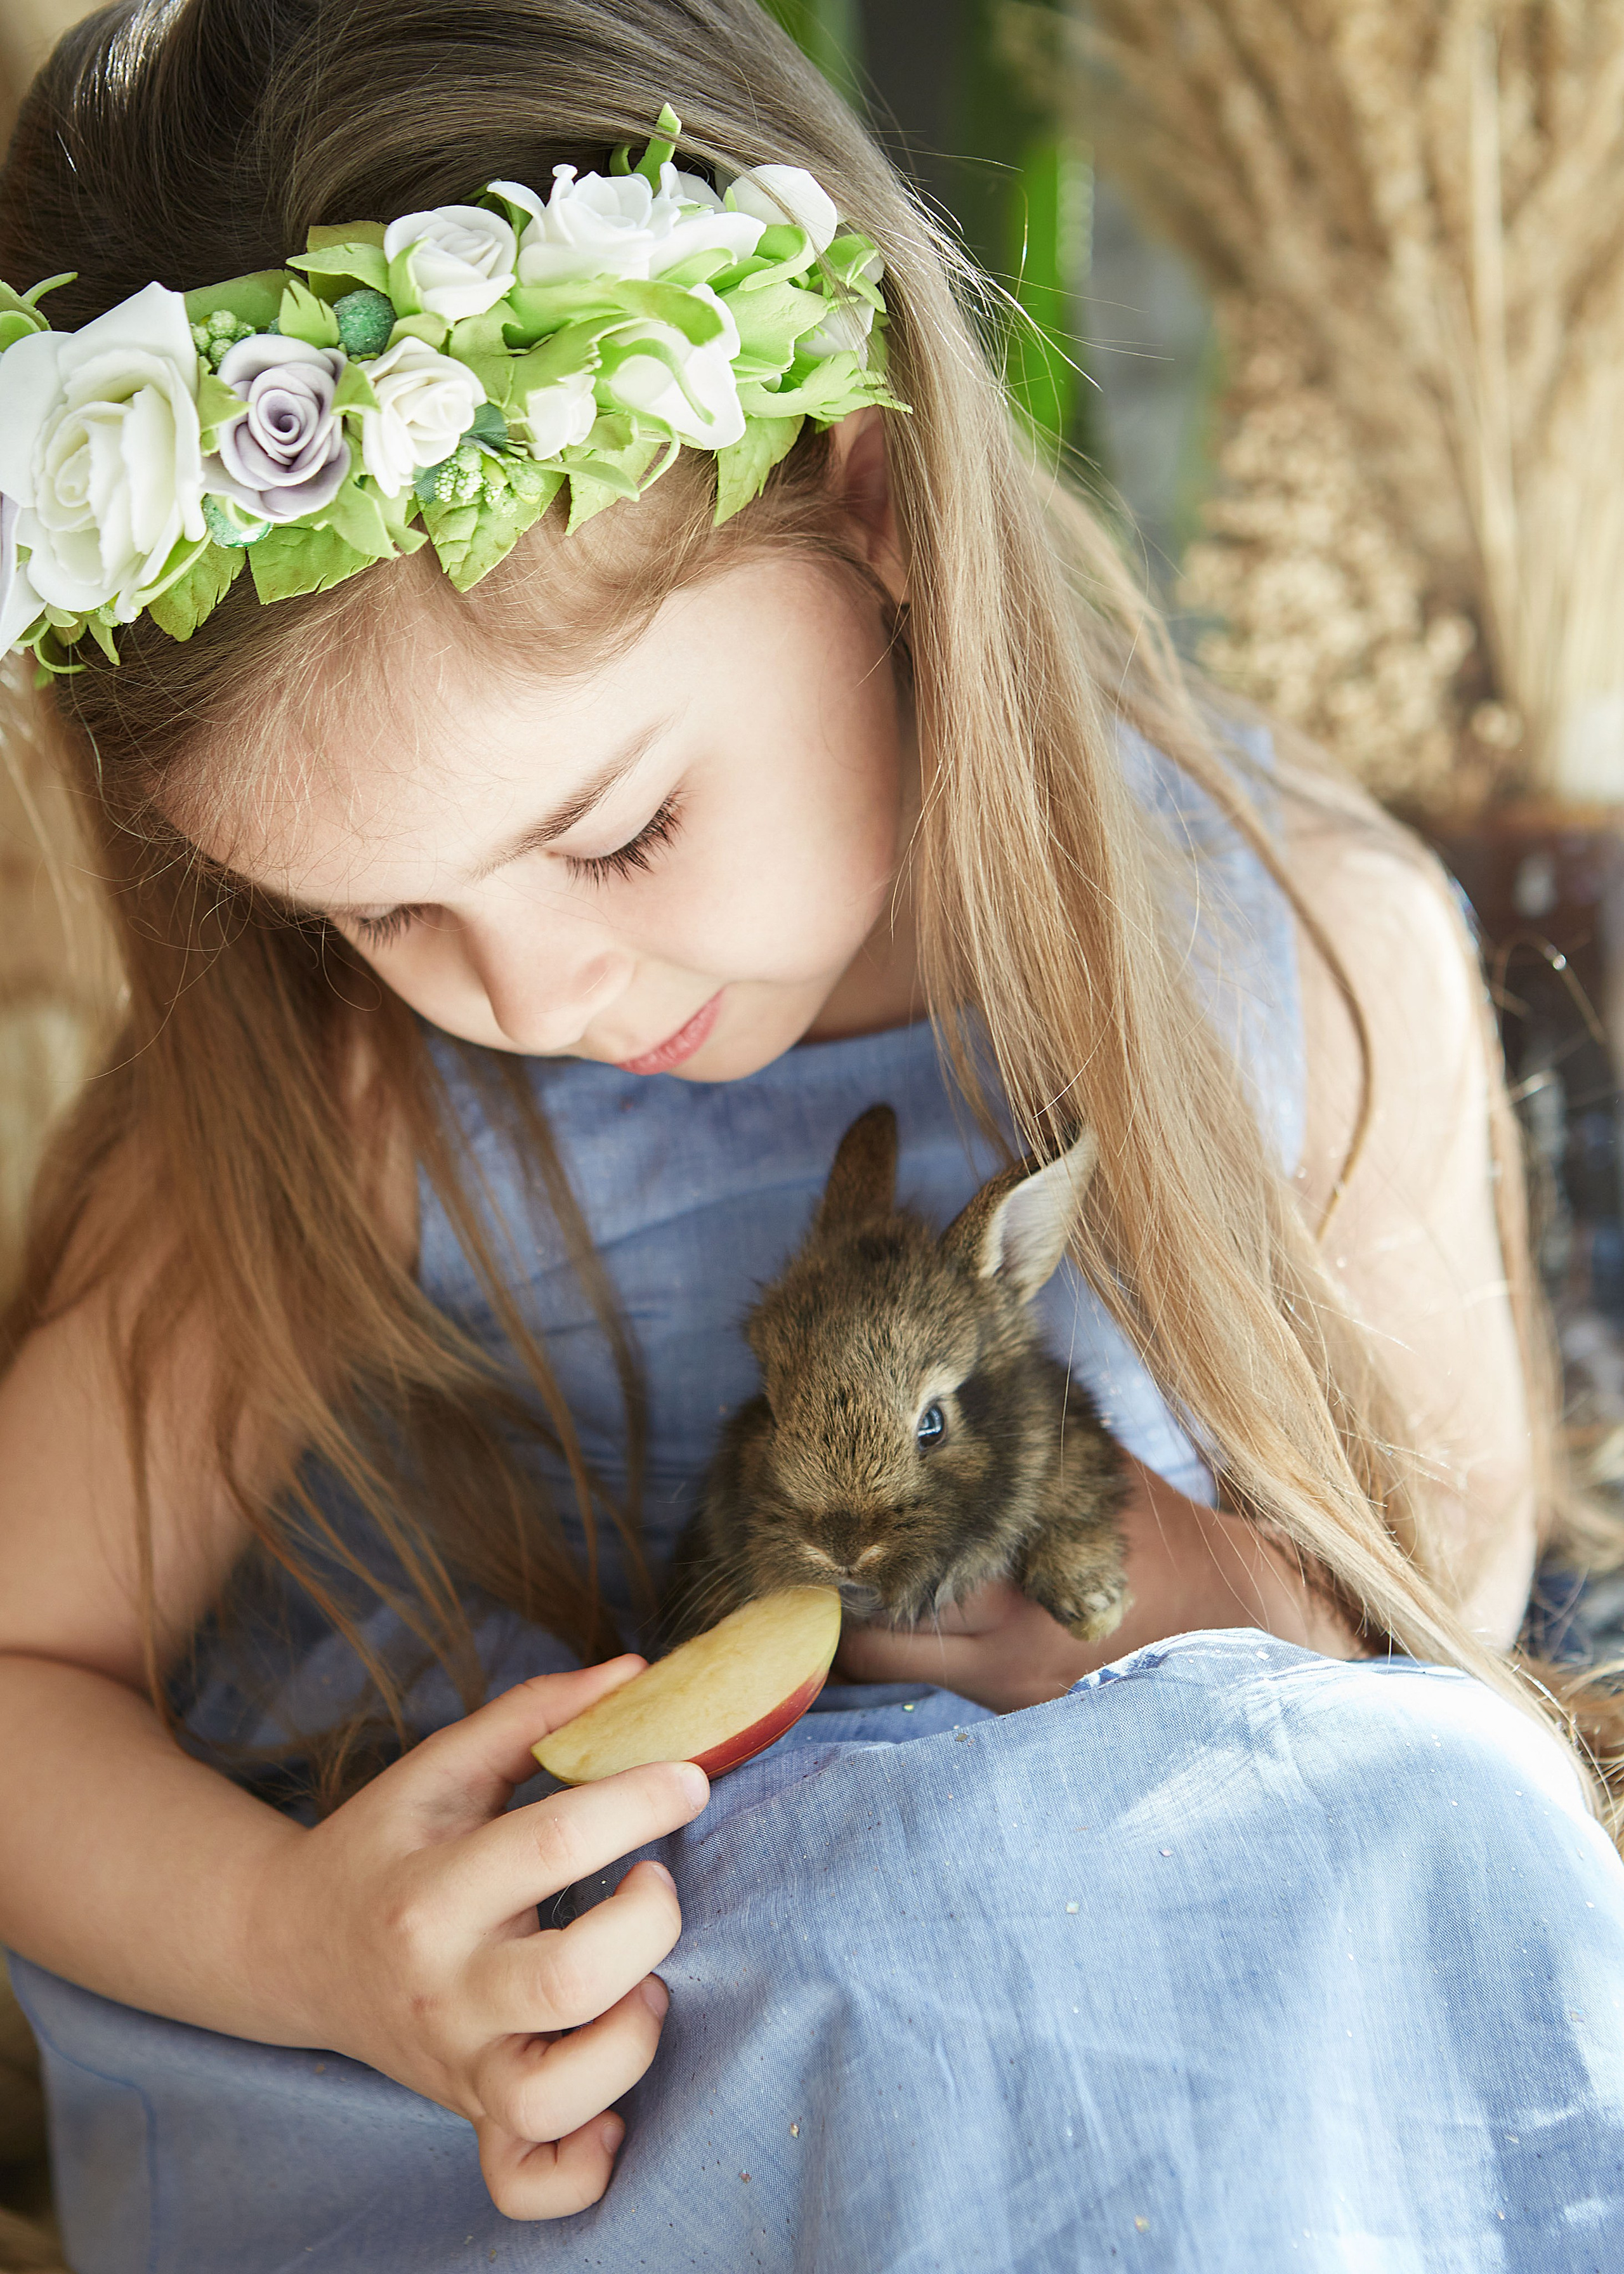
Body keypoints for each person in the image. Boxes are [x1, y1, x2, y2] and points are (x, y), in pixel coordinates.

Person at [0, 1, 1621, 2267]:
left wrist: (1187, 1602)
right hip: (590, 2099)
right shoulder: (360, 1109)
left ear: (867, 500)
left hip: (1165, 2058)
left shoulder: (1290, 958)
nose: (533, 997)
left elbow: (1424, 1715)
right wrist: (303, 1939)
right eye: (377, 908)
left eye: (622, 830)